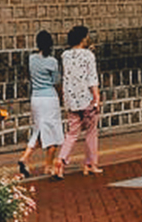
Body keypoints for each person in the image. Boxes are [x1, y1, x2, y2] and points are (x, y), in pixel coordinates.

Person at [54, 25, 102, 178]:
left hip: (71, 99)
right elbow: (91, 77)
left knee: (72, 133)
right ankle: (90, 164)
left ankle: (61, 160)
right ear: (83, 38)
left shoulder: (65, 55)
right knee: (91, 132)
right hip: (86, 98)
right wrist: (97, 97)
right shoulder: (88, 55)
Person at [18, 30, 64, 178]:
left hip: (36, 98)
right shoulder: (52, 61)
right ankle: (48, 166)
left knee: (38, 130)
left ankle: (25, 158)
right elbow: (56, 81)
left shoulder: (31, 59)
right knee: (54, 134)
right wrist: (62, 98)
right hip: (49, 97)